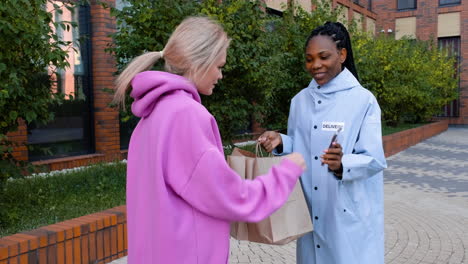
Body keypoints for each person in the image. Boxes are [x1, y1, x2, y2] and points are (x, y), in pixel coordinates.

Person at [112, 16, 306, 264]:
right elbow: (231, 196)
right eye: (219, 65)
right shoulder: (186, 115)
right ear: (197, 63)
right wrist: (286, 172)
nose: (221, 75)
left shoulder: (151, 115)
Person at [259, 21, 387, 264]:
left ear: (342, 55)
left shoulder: (363, 101)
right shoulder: (299, 101)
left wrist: (343, 163)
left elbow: (375, 159)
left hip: (346, 213)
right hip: (310, 209)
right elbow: (301, 144)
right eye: (309, 59)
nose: (315, 65)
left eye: (323, 56)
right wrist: (281, 142)